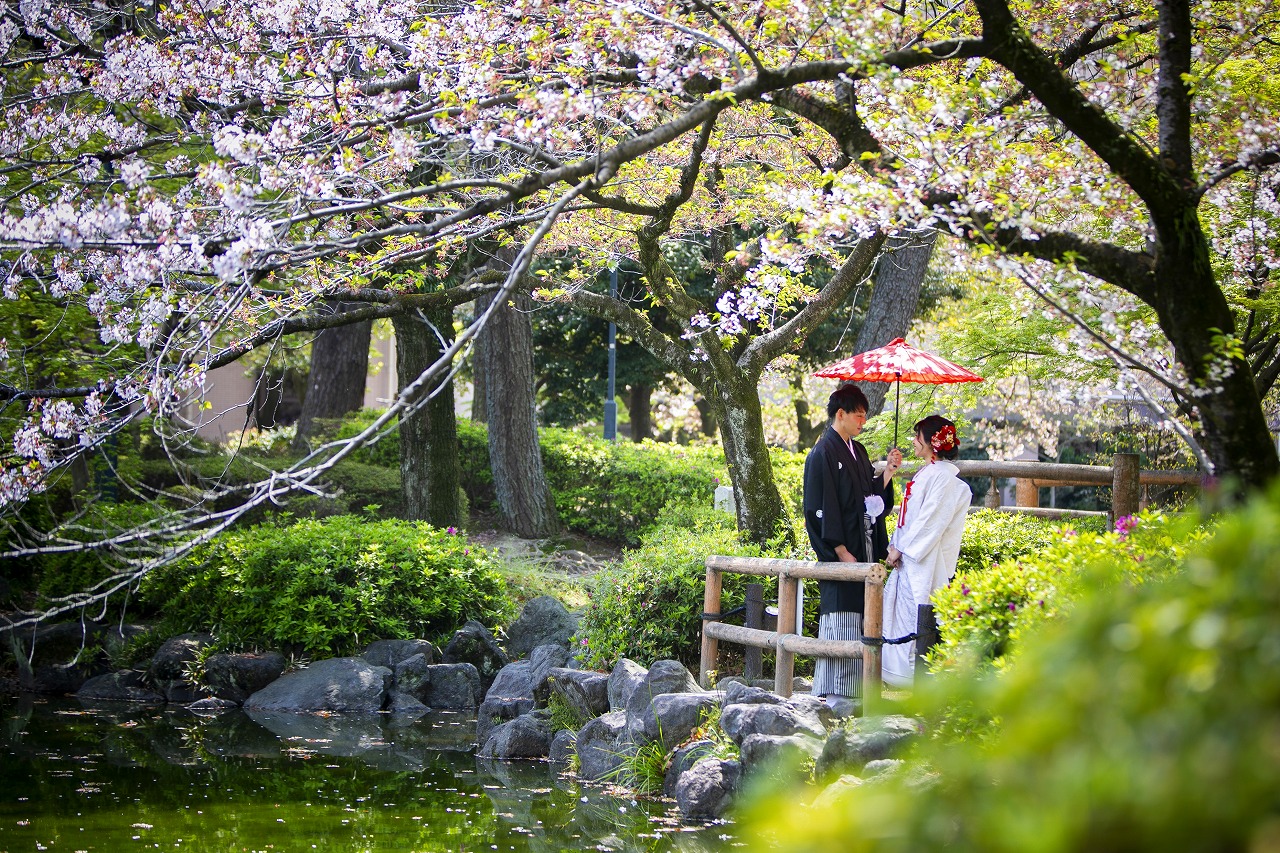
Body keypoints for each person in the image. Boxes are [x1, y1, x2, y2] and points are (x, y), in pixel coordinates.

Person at [802, 385, 902, 703]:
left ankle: (859, 692)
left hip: (865, 546)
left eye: (864, 416)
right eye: (858, 415)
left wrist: (887, 472)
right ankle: (836, 695)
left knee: (864, 614)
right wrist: (840, 550)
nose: (862, 421)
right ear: (840, 414)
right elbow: (819, 508)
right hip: (842, 551)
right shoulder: (821, 453)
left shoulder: (857, 451)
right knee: (843, 614)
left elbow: (869, 497)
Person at [882, 415, 972, 688]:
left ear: (932, 442)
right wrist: (897, 545)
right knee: (899, 612)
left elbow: (930, 519)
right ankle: (895, 673)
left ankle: (913, 679)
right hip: (910, 556)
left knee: (916, 614)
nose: (913, 441)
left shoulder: (943, 476)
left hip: (924, 559)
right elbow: (912, 517)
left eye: (918, 436)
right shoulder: (929, 472)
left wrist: (902, 547)